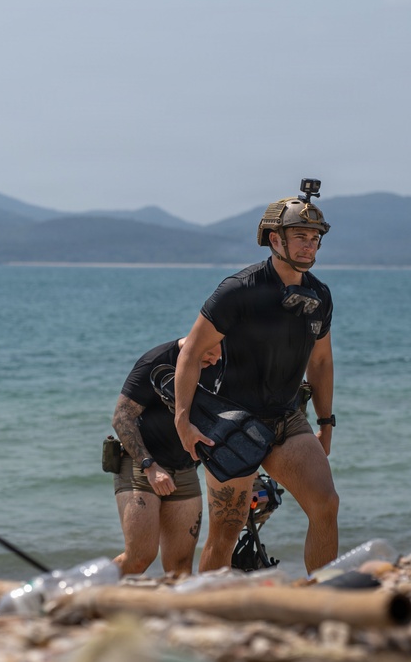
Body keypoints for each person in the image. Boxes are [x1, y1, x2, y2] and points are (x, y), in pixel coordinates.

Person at [174, 182, 339, 574]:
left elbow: (320, 362)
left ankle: (322, 595)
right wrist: (183, 420)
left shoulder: (319, 295)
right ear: (274, 239)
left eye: (314, 239)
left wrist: (326, 422)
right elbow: (192, 353)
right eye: (300, 237)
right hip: (232, 423)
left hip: (287, 419)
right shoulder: (239, 290)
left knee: (325, 505)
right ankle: (209, 604)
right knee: (225, 533)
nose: (309, 247)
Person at [111, 338, 224, 576]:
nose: (215, 361)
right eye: (210, 355)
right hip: (142, 464)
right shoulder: (157, 361)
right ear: (198, 337)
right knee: (139, 558)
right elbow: (121, 417)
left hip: (184, 469)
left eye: (219, 356)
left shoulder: (219, 364)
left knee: (180, 567)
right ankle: (86, 588)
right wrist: (149, 466)